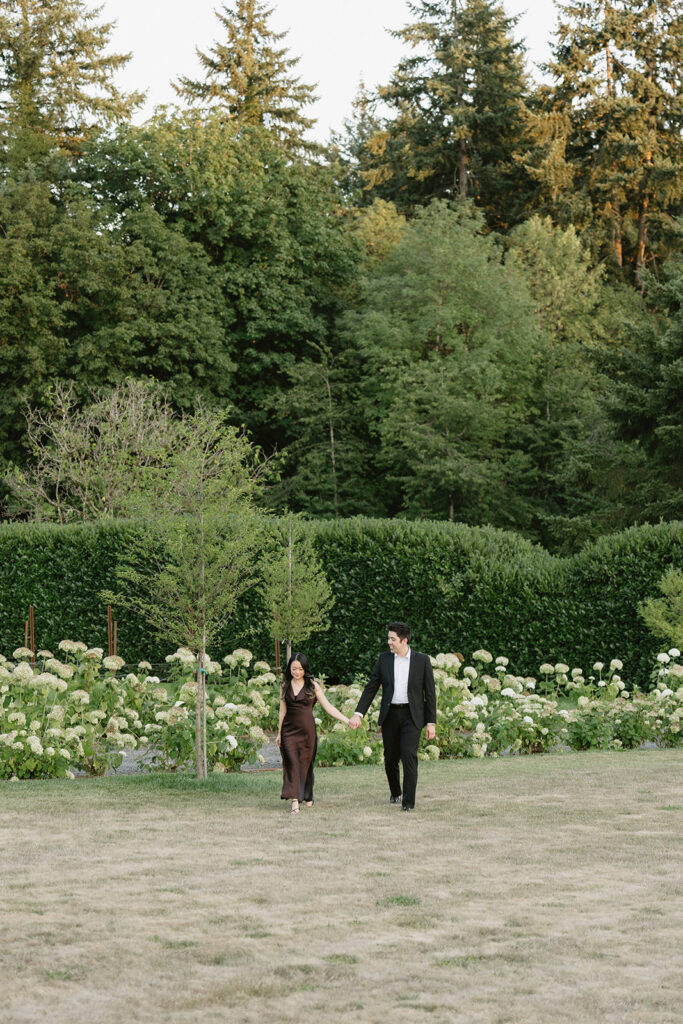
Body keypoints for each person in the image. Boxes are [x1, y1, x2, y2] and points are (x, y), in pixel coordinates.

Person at [348, 622, 436, 811]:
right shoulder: (384, 660)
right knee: (390, 758)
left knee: (409, 755)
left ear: (404, 641)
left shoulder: (422, 660)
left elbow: (430, 694)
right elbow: (371, 688)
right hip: (390, 715)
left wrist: (431, 723)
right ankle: (396, 793)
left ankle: (408, 803)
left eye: (392, 639)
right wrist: (358, 713)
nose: (389, 642)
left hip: (412, 716)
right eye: (389, 638)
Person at [276, 652, 350, 813]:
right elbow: (282, 712)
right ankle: (295, 800)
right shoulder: (284, 685)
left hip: (307, 733)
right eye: (294, 669)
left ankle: (307, 795)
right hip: (288, 732)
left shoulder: (312, 686)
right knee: (292, 764)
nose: (297, 672)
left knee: (305, 765)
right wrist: (279, 733)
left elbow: (328, 707)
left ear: (305, 669)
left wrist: (347, 720)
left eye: (300, 669)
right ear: (289, 669)